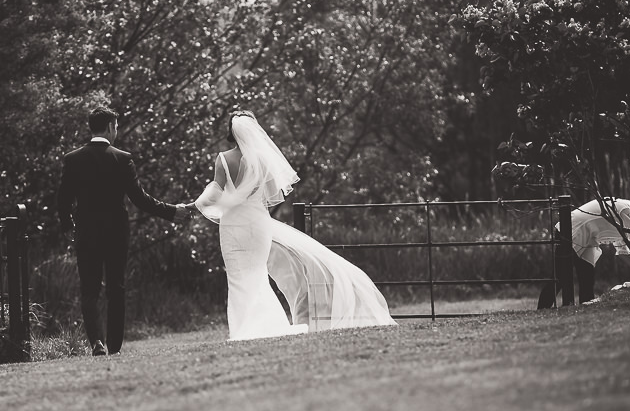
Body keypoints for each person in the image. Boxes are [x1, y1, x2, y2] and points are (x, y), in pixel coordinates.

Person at [184, 111, 396, 340]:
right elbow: (270, 192)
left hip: (233, 226)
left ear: (231, 132)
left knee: (238, 277)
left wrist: (193, 206)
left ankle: (246, 330)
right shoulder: (263, 160)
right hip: (258, 224)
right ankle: (268, 326)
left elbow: (216, 190)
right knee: (258, 274)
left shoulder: (224, 158)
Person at [57, 105, 184, 356]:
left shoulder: (73, 159)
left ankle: (97, 343)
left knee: (89, 289)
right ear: (110, 127)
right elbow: (140, 199)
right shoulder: (122, 157)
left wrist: (68, 227)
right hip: (116, 232)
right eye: (116, 126)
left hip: (87, 233)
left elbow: (63, 200)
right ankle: (114, 345)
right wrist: (171, 211)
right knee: (116, 287)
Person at [538, 197, 630, 308]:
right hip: (572, 229)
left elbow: (623, 253)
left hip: (589, 237)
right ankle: (541, 310)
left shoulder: (627, 219)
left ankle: (584, 310)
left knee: (587, 278)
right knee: (560, 277)